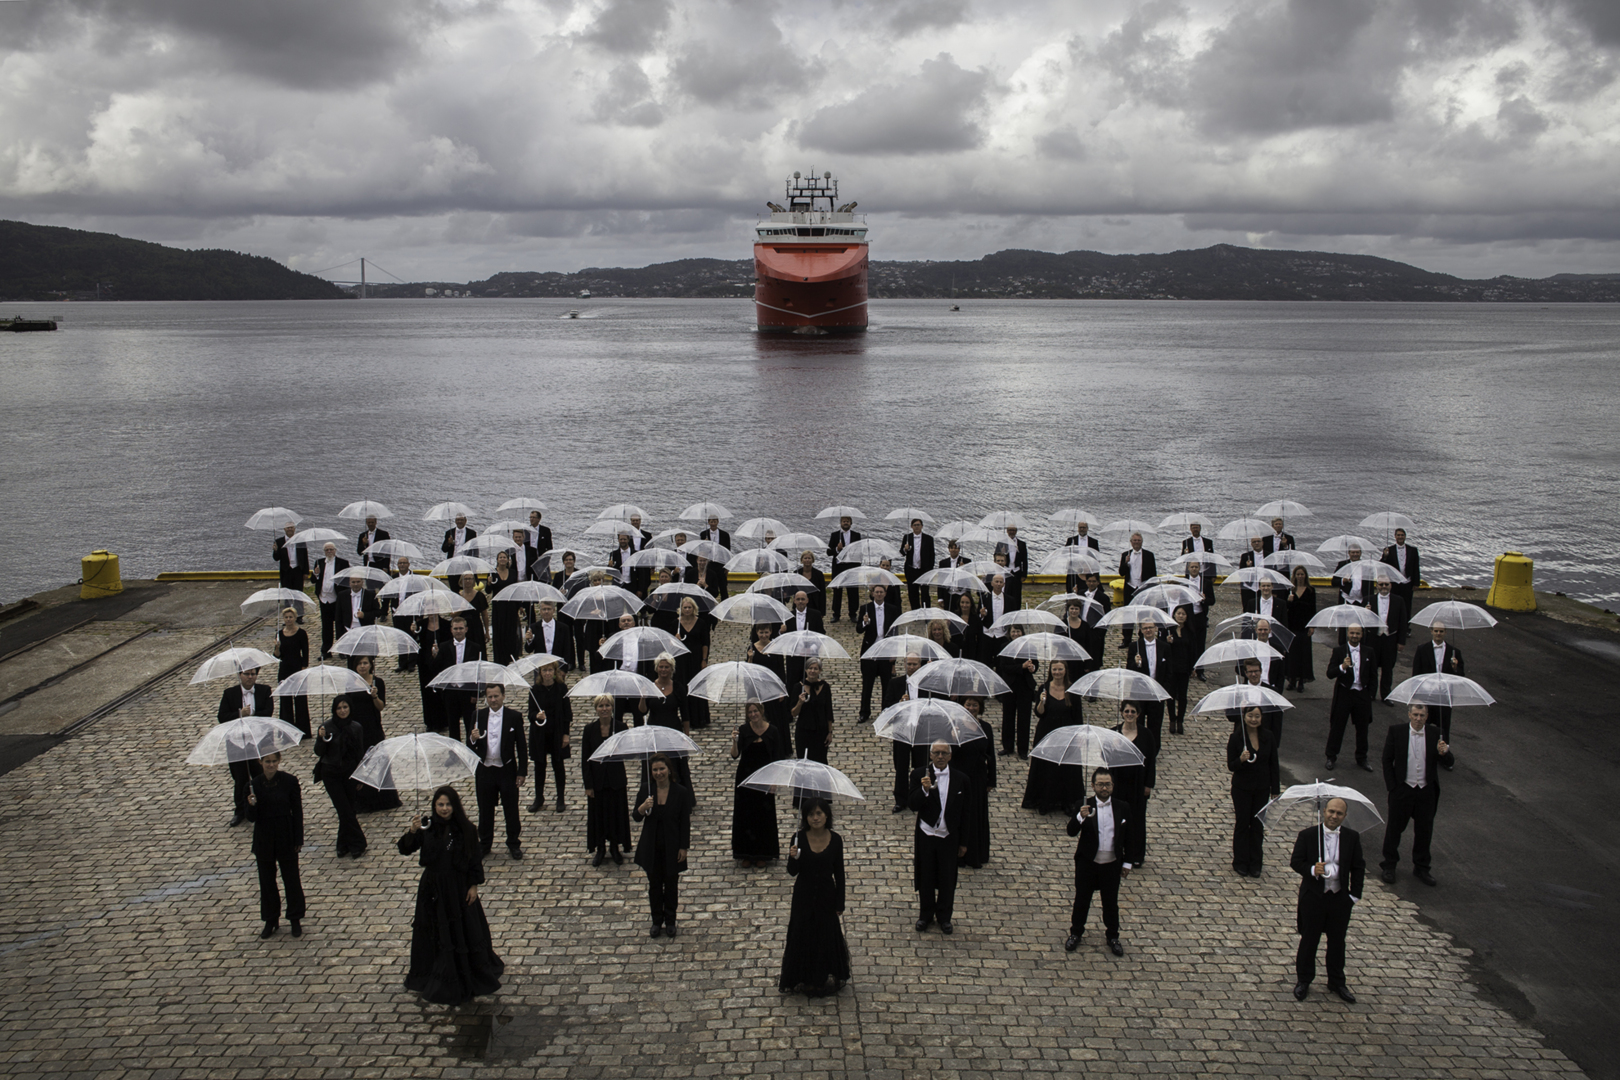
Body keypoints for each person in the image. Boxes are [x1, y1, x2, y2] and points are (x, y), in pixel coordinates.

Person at [398, 786, 504, 1004]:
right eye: (440, 804)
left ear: (455, 806)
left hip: (457, 887)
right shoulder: (426, 827)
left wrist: (473, 885)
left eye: (448, 804)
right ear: (434, 806)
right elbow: (406, 849)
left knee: (463, 930)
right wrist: (412, 830)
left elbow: (474, 859)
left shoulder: (466, 829)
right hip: (432, 888)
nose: (444, 809)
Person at [1291, 797, 1364, 1002]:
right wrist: (1313, 869)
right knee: (1309, 940)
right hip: (1314, 897)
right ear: (1324, 812)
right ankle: (1304, 980)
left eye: (1339, 813)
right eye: (1331, 811)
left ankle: (1337, 982)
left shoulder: (1352, 837)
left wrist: (1354, 896)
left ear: (1344, 816)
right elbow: (1296, 862)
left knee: (1337, 943)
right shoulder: (1307, 835)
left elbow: (1358, 867)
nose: (1334, 816)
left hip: (1339, 898)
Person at [1064, 768, 1139, 957]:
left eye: (1107, 784)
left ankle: (1113, 936)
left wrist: (1128, 863)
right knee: (1082, 900)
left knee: (1110, 903)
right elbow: (1071, 831)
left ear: (1113, 786)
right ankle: (1075, 933)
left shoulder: (1123, 807)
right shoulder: (1084, 805)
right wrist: (1080, 816)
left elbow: (1130, 837)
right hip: (1088, 863)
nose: (1104, 788)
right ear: (1093, 786)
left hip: (1112, 864)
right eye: (1100, 784)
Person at [779, 798, 850, 995]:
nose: (815, 818)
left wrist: (840, 902)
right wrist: (792, 857)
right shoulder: (798, 838)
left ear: (827, 816)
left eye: (819, 813)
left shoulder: (835, 840)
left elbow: (840, 873)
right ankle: (805, 977)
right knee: (804, 935)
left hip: (826, 895)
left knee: (824, 937)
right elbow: (793, 872)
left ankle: (820, 977)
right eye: (811, 814)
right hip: (804, 895)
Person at [1380, 703, 1453, 886]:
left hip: (1426, 791)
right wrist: (1393, 787)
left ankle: (1421, 867)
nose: (1418, 718)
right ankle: (1389, 865)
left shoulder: (1436, 733)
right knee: (1394, 829)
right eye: (1415, 714)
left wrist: (1445, 753)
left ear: (1427, 716)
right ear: (1409, 715)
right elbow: (1387, 759)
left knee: (1424, 831)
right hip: (1403, 789)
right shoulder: (1397, 731)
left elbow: (1449, 761)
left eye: (1422, 715)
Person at [908, 740, 971, 934]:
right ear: (930, 755)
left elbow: (966, 814)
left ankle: (944, 916)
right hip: (927, 833)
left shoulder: (961, 779)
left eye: (944, 753)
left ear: (950, 756)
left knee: (947, 878)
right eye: (936, 753)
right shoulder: (919, 775)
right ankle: (925, 915)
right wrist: (924, 790)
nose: (940, 757)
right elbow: (912, 804)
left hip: (948, 835)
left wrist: (964, 842)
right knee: (926, 875)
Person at [633, 753, 695, 938]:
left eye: (661, 769)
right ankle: (656, 920)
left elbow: (684, 822)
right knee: (654, 885)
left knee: (670, 884)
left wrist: (683, 847)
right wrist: (643, 807)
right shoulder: (647, 790)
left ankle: (670, 920)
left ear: (669, 770)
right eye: (655, 770)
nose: (658, 773)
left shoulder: (680, 792)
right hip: (651, 845)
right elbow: (636, 817)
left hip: (672, 845)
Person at [246, 751, 304, 939]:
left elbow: (297, 811)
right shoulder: (253, 785)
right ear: (260, 762)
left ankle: (295, 918)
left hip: (285, 834)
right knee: (267, 881)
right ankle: (271, 919)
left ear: (279, 761)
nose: (270, 765)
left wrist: (298, 838)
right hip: (264, 838)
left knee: (291, 879)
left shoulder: (289, 781)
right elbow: (251, 818)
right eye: (267, 762)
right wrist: (251, 805)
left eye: (274, 761)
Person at [469, 683, 527, 860]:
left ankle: (513, 843)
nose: (493, 700)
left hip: (506, 769)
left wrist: (521, 771)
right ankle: (485, 843)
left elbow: (522, 745)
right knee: (485, 809)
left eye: (496, 696)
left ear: (503, 696)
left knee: (511, 809)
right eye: (489, 697)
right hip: (485, 770)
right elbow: (469, 745)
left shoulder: (514, 716)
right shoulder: (477, 715)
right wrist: (473, 738)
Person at [731, 700, 791, 867]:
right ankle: (745, 853)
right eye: (750, 712)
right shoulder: (743, 730)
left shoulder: (773, 731)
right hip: (746, 776)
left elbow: (777, 758)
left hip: (765, 777)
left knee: (763, 815)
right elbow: (735, 755)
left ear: (761, 711)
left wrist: (774, 782)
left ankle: (763, 853)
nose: (753, 715)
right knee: (745, 815)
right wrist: (734, 741)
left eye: (755, 711)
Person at [1023, 659, 1082, 813]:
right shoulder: (1044, 688)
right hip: (1047, 731)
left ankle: (1066, 802)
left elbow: (1078, 716)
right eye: (1054, 669)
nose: (1057, 672)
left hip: (1067, 733)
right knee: (1046, 767)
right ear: (1050, 671)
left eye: (1060, 669)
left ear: (1065, 670)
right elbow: (1039, 713)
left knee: (1066, 768)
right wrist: (1042, 702)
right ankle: (1045, 800)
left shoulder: (1072, 690)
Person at [218, 667, 273, 826]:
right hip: (237, 742)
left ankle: (263, 807)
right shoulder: (230, 693)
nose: (250, 677)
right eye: (247, 674)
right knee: (240, 778)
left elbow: (268, 712)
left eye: (253, 674)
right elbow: (222, 717)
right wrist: (240, 713)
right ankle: (240, 810)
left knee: (259, 775)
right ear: (240, 675)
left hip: (258, 740)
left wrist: (253, 713)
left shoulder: (264, 690)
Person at [348, 655, 402, 813]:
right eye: (359, 663)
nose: (362, 666)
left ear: (371, 665)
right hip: (357, 728)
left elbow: (381, 707)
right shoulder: (351, 682)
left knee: (378, 761)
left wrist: (374, 696)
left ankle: (383, 798)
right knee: (360, 761)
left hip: (373, 727)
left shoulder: (378, 682)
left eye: (365, 663)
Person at [312, 697, 366, 858]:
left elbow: (359, 754)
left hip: (349, 772)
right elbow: (319, 752)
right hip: (331, 773)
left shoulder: (356, 727)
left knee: (348, 809)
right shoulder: (327, 727)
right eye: (339, 708)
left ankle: (342, 844)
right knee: (343, 809)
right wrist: (321, 738)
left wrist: (360, 777)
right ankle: (358, 843)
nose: (342, 711)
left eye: (345, 707)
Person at [581, 695, 631, 866]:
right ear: (596, 709)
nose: (604, 709)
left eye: (607, 705)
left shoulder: (621, 727)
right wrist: (588, 785)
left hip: (615, 779)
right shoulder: (589, 730)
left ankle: (615, 848)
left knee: (616, 815)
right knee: (599, 816)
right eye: (601, 706)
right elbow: (585, 759)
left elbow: (627, 752)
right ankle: (600, 848)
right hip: (597, 781)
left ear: (612, 708)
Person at [1109, 701, 1158, 866]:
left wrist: (1148, 785)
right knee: (1116, 819)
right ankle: (1116, 852)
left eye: (1133, 711)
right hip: (1118, 782)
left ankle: (1136, 855)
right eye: (1127, 711)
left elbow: (1151, 761)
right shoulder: (1113, 733)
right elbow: (1105, 759)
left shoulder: (1146, 735)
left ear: (1138, 714)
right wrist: (1113, 747)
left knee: (1137, 820)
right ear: (1122, 713)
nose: (1129, 714)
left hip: (1137, 783)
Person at [1228, 706, 1274, 877]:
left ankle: (1255, 862)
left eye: (1257, 716)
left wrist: (1274, 789)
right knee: (1242, 824)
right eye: (1250, 716)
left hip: (1261, 788)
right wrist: (1240, 759)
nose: (1253, 719)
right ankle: (1240, 861)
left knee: (1257, 826)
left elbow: (1273, 764)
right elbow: (1231, 765)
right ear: (1244, 717)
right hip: (1242, 788)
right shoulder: (1236, 738)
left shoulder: (1268, 737)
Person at [1325, 625, 1375, 771]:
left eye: (1357, 633)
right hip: (1345, 693)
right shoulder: (1339, 651)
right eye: (1352, 633)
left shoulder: (1369, 652)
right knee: (1337, 726)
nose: (1354, 636)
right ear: (1348, 634)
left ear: (1361, 635)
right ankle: (1331, 756)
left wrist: (1369, 694)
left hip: (1362, 694)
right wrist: (1342, 667)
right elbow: (1330, 673)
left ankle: (1362, 758)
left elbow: (1373, 675)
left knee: (1363, 728)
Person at [1410, 621, 1465, 755]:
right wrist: (1417, 698)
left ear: (1445, 632)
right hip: (1427, 695)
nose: (1438, 634)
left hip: (1444, 696)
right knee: (1424, 724)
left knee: (1444, 728)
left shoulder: (1454, 652)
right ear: (1431, 632)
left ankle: (1443, 754)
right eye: (1436, 631)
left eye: (1441, 631)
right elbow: (1416, 674)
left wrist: (1455, 667)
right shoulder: (1422, 649)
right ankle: (1422, 751)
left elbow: (1461, 676)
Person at [955, 697, 996, 868]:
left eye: (974, 705)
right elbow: (949, 755)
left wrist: (991, 780)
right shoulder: (956, 726)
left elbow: (991, 754)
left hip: (979, 777)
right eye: (968, 704)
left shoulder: (985, 727)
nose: (971, 708)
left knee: (977, 813)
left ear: (980, 707)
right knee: (961, 814)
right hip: (961, 776)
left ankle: (976, 853)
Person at [527, 660, 573, 812]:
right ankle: (539, 797)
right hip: (540, 734)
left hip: (557, 732)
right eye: (544, 670)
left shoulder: (561, 688)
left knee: (558, 765)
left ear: (555, 672)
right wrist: (536, 716)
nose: (547, 673)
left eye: (550, 670)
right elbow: (530, 714)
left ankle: (560, 798)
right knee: (539, 766)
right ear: (540, 673)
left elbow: (567, 713)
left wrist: (566, 734)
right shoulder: (534, 690)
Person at [996, 625, 1038, 757]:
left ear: (1022, 632)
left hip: (1025, 686)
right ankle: (1008, 747)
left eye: (1018, 631)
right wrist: (1021, 666)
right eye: (1013, 631)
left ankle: (1023, 749)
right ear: (1010, 633)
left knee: (1024, 719)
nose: (1016, 634)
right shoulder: (1004, 646)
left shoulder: (1029, 647)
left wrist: (1032, 668)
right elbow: (1004, 667)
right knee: (1008, 717)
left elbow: (1036, 664)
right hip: (1010, 686)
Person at [440, 615, 482, 742]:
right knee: (452, 723)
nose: (458, 631)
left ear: (466, 629)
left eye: (460, 628)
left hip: (467, 690)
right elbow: (438, 668)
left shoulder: (475, 647)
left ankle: (471, 748)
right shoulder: (444, 647)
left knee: (470, 722)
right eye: (456, 628)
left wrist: (475, 692)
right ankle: (455, 751)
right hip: (451, 691)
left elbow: (478, 672)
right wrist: (435, 655)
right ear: (451, 630)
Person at [271, 606, 311, 736]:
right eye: (286, 617)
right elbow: (277, 655)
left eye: (291, 617)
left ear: (295, 618)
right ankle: (286, 730)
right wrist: (277, 647)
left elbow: (305, 653)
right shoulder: (279, 634)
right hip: (284, 668)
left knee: (300, 700)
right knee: (285, 701)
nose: (288, 619)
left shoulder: (301, 633)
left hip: (297, 667)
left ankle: (302, 730)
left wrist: (304, 669)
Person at [1367, 578, 1409, 703]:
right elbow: (1362, 621)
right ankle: (1371, 693)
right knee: (1372, 667)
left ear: (1391, 585)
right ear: (1376, 586)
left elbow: (1403, 621)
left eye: (1386, 584)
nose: (1384, 586)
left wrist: (1401, 641)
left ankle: (1386, 695)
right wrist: (1366, 611)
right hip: (1374, 638)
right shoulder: (1369, 600)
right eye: (1381, 584)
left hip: (1390, 638)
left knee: (1388, 668)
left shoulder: (1399, 600)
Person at [1124, 619, 1168, 736]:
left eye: (1150, 627)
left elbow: (1169, 670)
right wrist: (1135, 663)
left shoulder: (1164, 646)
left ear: (1155, 629)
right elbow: (1129, 669)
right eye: (1145, 628)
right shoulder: (1135, 646)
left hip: (1157, 691)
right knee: (1139, 722)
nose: (1148, 630)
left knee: (1155, 723)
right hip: (1140, 691)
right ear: (1141, 630)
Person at [856, 584, 893, 720]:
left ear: (885, 593)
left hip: (885, 651)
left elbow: (894, 631)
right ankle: (864, 712)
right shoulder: (865, 609)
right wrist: (865, 623)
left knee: (887, 684)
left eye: (881, 592)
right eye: (876, 592)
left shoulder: (891, 609)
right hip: (870, 651)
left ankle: (886, 711)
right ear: (872, 594)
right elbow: (859, 629)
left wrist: (893, 653)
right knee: (867, 684)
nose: (878, 594)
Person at [311, 542, 348, 658]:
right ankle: (326, 651)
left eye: (331, 549)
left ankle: (342, 650)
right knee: (326, 626)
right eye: (327, 550)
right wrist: (315, 574)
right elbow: (313, 580)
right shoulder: (319, 563)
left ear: (335, 550)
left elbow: (346, 581)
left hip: (337, 599)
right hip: (324, 599)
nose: (329, 552)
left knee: (340, 625)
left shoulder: (343, 563)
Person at [486, 551, 522, 664]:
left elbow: (516, 590)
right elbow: (488, 591)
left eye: (504, 557)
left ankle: (511, 656)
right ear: (497, 560)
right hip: (498, 607)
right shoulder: (492, 573)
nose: (502, 559)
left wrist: (520, 606)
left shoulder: (513, 573)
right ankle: (499, 659)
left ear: (508, 560)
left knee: (511, 632)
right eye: (500, 557)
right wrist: (488, 583)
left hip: (511, 606)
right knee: (499, 633)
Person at [1284, 565, 1317, 691]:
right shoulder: (1290, 590)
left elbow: (1313, 609)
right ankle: (1292, 679)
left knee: (1304, 654)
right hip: (1292, 625)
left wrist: (1312, 625)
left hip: (1304, 626)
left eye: (1302, 574)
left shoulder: (1310, 590)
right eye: (1298, 574)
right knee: (1292, 654)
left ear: (1305, 575)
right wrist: (1289, 600)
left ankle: (1301, 681)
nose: (1300, 576)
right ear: (1294, 576)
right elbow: (1285, 609)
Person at [1161, 606, 1193, 734]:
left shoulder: (1189, 631)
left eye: (1183, 614)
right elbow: (1162, 648)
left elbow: (1193, 650)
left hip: (1184, 667)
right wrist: (1166, 642)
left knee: (1183, 696)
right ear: (1174, 615)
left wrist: (1193, 667)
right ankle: (1172, 720)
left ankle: (1180, 720)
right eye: (1178, 613)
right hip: (1172, 668)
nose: (1181, 616)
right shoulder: (1169, 631)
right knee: (1171, 695)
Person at [825, 515, 861, 622]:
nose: (846, 523)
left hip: (852, 566)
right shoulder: (835, 535)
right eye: (844, 521)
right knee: (837, 592)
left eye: (848, 521)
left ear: (851, 523)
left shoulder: (856, 535)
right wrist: (837, 548)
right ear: (841, 523)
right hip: (839, 567)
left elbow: (859, 550)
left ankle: (853, 614)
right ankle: (836, 614)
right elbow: (828, 552)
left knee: (853, 592)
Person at [525, 599, 576, 671]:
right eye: (544, 609)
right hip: (540, 667)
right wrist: (529, 641)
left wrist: (564, 669)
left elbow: (567, 649)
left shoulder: (563, 628)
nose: (546, 612)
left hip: (557, 666)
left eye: (548, 609)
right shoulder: (534, 627)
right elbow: (529, 650)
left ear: (553, 610)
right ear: (540, 611)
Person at [899, 518, 935, 610]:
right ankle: (915, 611)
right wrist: (905, 549)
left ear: (922, 526)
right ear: (911, 527)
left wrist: (930, 569)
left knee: (925, 592)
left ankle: (926, 611)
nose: (917, 527)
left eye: (918, 525)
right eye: (915, 525)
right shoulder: (907, 537)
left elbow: (932, 555)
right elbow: (902, 553)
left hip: (924, 570)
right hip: (911, 569)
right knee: (912, 592)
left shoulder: (929, 539)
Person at [1381, 527, 1420, 613]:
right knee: (1394, 604)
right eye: (1398, 535)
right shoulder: (1389, 550)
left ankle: (1406, 625)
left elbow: (1416, 567)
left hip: (1408, 582)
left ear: (1405, 536)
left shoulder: (1413, 550)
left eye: (1402, 535)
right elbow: (1383, 565)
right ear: (1395, 536)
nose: (1400, 537)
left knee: (1407, 604)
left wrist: (1416, 583)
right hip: (1394, 582)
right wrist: (1385, 556)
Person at [273, 522, 308, 593]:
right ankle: (288, 604)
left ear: (294, 529)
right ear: (284, 529)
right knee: (286, 592)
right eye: (288, 528)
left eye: (291, 527)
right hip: (286, 571)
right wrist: (276, 551)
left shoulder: (300, 541)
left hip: (298, 570)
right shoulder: (279, 542)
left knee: (299, 592)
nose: (290, 529)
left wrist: (306, 572)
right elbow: (276, 558)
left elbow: (305, 556)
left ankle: (298, 604)